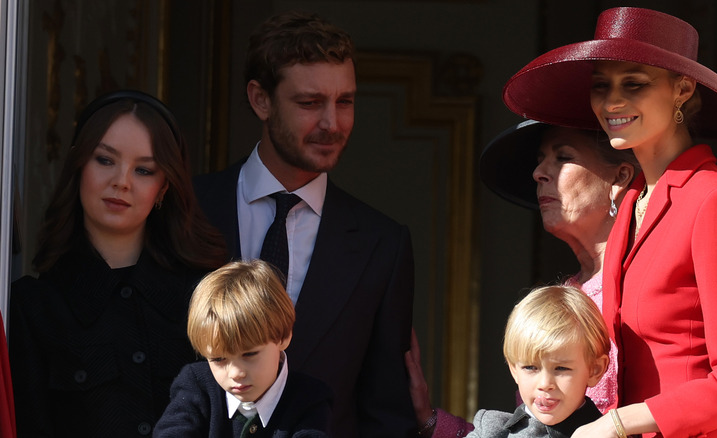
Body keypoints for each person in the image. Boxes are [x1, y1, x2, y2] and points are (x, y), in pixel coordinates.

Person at [502, 7, 717, 438]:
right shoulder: (635, 200)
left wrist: (619, 422)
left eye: (634, 84)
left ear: (682, 88)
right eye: (601, 86)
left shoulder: (714, 200)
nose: (611, 102)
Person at [193, 10, 416, 437]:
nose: (333, 123)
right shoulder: (186, 208)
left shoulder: (382, 245)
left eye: (345, 101)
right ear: (261, 100)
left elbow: (386, 415)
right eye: (310, 103)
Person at [9, 90, 228, 436]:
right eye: (105, 160)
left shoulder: (206, 296)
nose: (121, 182)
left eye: (143, 169)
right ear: (78, 164)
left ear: (163, 187)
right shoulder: (34, 307)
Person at [406, 120, 637, 436]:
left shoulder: (646, 288)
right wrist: (429, 419)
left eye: (563, 157)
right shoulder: (563, 297)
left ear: (620, 176)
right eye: (540, 159)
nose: (538, 172)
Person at [153, 260, 332, 437]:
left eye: (249, 354)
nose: (236, 373)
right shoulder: (196, 385)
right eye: (218, 359)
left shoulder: (310, 398)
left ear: (283, 337)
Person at [465, 285, 609, 438]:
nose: (545, 384)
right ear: (514, 369)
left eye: (561, 368)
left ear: (595, 369)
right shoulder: (490, 430)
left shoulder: (607, 434)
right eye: (530, 367)